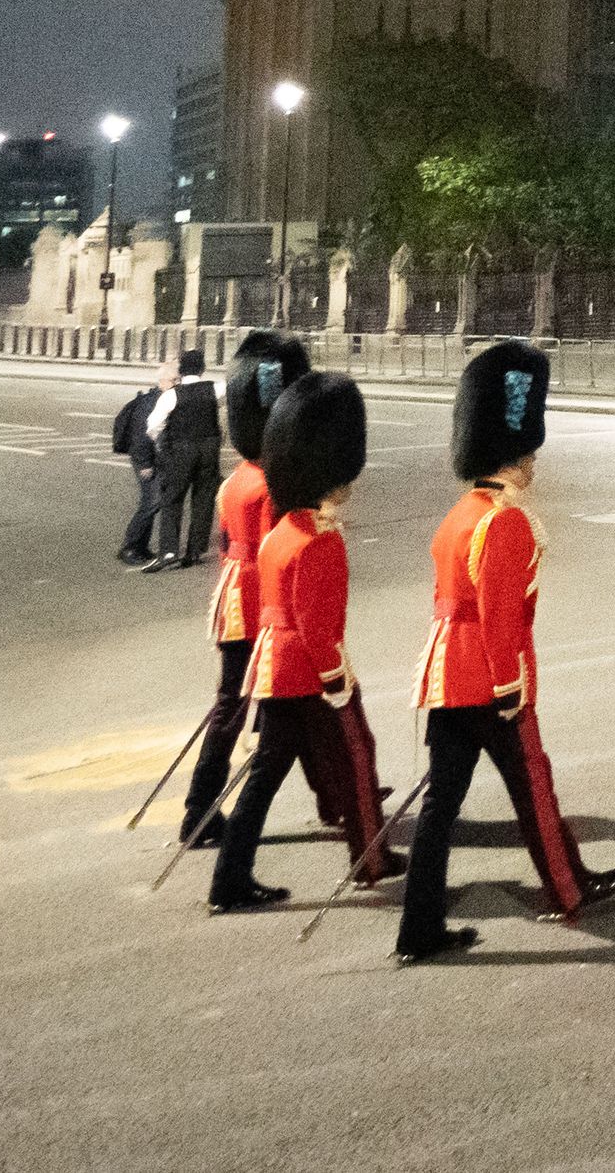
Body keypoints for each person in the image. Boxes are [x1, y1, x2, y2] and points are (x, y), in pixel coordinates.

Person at [393, 341, 615, 964]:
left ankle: (419, 927)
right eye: (527, 455)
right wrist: (509, 685)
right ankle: (567, 889)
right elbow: (501, 616)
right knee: (534, 786)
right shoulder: (504, 522)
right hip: (490, 680)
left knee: (441, 808)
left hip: (447, 676)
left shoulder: (458, 515)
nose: (532, 466)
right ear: (513, 460)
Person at [205, 372, 398, 911]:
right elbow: (319, 627)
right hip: (307, 673)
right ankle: (369, 859)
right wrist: (338, 684)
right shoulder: (320, 542)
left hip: (273, 667)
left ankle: (231, 878)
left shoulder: (281, 533)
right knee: (356, 754)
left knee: (267, 776)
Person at [178, 332, 306, 847]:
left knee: (232, 705)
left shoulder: (237, 479)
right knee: (250, 708)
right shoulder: (271, 484)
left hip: (231, 593)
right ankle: (201, 810)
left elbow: (226, 542)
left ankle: (200, 808)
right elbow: (279, 554)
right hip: (259, 599)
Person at [144, 352, 222, 573]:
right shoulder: (215, 389)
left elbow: (153, 425)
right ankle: (195, 550)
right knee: (204, 498)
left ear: (180, 371)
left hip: (181, 449)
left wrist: (161, 442)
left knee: (173, 498)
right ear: (202, 368)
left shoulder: (171, 395)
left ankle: (169, 551)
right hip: (209, 449)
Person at [115, 363, 174, 567]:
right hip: (146, 460)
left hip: (154, 459)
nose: (177, 383)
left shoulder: (163, 399)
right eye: (174, 380)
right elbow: (141, 437)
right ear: (163, 381)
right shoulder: (151, 403)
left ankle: (141, 546)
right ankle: (129, 547)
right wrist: (145, 464)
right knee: (151, 502)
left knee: (152, 501)